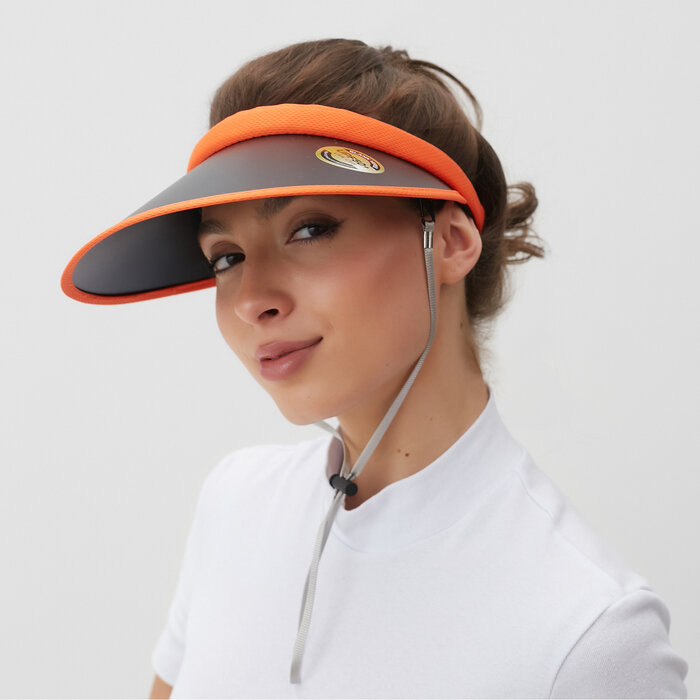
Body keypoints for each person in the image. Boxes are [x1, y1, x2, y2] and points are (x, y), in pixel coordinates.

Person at [61, 39, 689, 698]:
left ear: (449, 242)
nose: (250, 300)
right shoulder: (237, 503)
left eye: (309, 229)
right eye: (226, 257)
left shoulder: (588, 632)